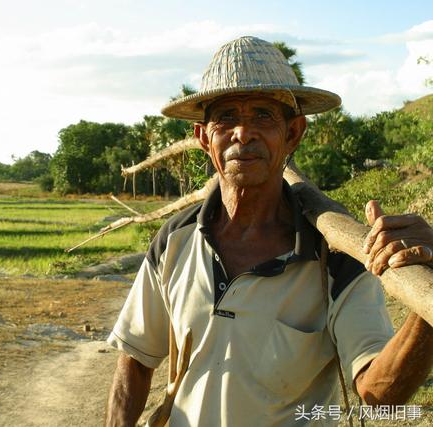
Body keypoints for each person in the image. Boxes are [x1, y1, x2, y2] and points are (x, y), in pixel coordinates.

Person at [104, 36, 433, 426]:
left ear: (293, 134)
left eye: (263, 115)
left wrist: (427, 301)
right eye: (226, 116)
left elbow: (379, 396)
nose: (243, 133)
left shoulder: (337, 259)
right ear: (203, 137)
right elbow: (136, 362)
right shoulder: (176, 239)